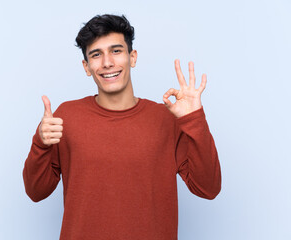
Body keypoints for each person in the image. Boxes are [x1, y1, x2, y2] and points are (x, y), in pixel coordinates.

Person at [23, 14, 221, 240]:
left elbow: (208, 188)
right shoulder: (66, 117)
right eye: (96, 55)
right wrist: (40, 142)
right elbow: (36, 192)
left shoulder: (166, 119)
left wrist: (194, 119)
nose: (107, 62)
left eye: (116, 51)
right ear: (87, 67)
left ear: (132, 57)